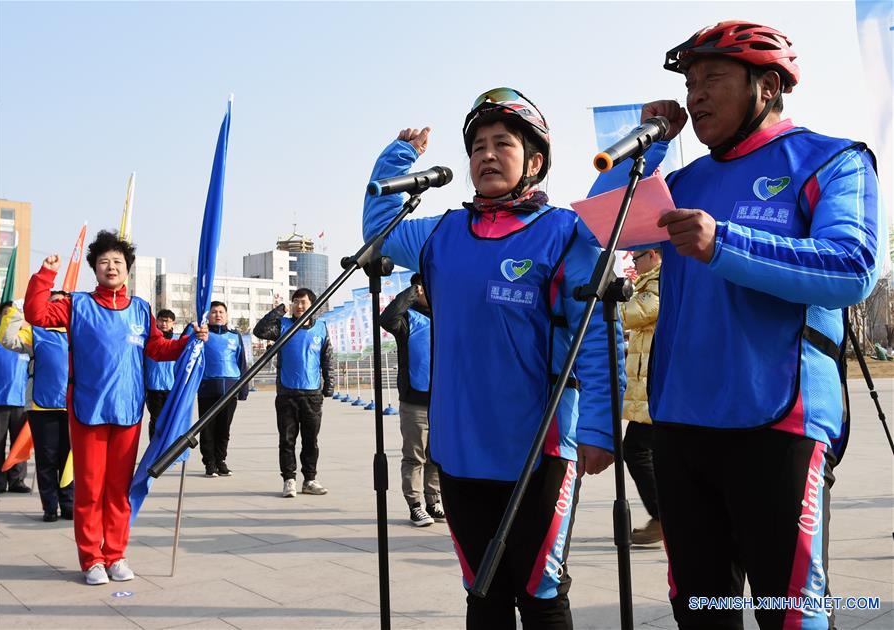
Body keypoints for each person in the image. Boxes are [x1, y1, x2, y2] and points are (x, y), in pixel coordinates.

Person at [620, 21, 882, 629]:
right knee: (702, 609)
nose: (695, 95)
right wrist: (650, 150)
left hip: (778, 423)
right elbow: (600, 234)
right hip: (682, 426)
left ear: (766, 86)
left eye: (712, 78)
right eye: (689, 82)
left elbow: (853, 267)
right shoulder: (679, 183)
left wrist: (725, 242)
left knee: (788, 612)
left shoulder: (832, 160)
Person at [363, 88, 621, 629]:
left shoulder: (566, 233)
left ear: (535, 160)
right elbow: (378, 235)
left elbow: (595, 334)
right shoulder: (441, 233)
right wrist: (396, 158)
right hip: (458, 452)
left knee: (541, 590)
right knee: (482, 593)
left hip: (540, 452)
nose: (485, 154)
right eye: (477, 144)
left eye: (502, 143)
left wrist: (601, 425)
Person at [23, 230, 207, 586]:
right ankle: (92, 559)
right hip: (88, 409)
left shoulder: (140, 309)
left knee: (119, 489)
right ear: (95, 267)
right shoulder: (77, 304)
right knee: (90, 489)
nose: (111, 267)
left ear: (128, 269)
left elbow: (157, 349)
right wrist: (45, 276)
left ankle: (116, 555)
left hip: (127, 412)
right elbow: (36, 313)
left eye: (118, 262)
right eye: (104, 261)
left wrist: (188, 342)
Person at [0, 294, 74, 521]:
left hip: (71, 407)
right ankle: (50, 507)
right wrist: (15, 312)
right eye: (52, 302)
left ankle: (69, 504)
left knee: (69, 458)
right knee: (46, 458)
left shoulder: (76, 333)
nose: (56, 306)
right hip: (42, 406)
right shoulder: (35, 331)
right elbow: (7, 340)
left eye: (61, 303)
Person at [254, 288, 335, 497]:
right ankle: (289, 479)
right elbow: (259, 331)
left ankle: (310, 479)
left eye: (304, 302)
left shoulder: (322, 329)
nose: (299, 306)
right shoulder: (283, 326)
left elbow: (327, 360)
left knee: (311, 440)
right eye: (296, 302)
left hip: (312, 394)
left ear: (313, 305)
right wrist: (279, 310)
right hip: (287, 393)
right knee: (287, 440)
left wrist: (329, 385)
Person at [379, 274, 444, 527]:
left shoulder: (445, 315)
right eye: (422, 288)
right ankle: (415, 505)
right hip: (415, 400)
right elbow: (387, 318)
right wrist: (410, 293)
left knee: (436, 455)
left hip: (442, 400)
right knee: (414, 455)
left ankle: (433, 500)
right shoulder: (407, 319)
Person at [619, 248, 662, 545]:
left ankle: (663, 517)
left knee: (635, 450)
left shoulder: (660, 284)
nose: (634, 262)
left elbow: (627, 315)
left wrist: (607, 300)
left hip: (656, 388)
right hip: (650, 389)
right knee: (655, 455)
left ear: (655, 254)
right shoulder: (648, 284)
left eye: (637, 257)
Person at [198, 301, 248, 478]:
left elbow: (241, 363)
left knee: (224, 428)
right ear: (208, 316)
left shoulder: (235, 336)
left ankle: (221, 460)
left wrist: (243, 389)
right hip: (207, 388)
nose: (217, 315)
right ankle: (209, 463)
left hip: (230, 388)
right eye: (214, 312)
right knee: (207, 428)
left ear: (226, 316)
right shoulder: (202, 336)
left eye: (221, 312)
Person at [0, 301, 31, 495]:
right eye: (5, 313)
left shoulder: (24, 342)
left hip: (21, 402)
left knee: (20, 444)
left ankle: (17, 480)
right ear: (0, 317)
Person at [144, 309, 177, 440]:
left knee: (170, 422)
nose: (164, 324)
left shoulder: (176, 341)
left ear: (173, 323)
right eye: (162, 320)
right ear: (156, 321)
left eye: (168, 321)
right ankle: (155, 454)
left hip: (171, 387)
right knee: (156, 421)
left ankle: (167, 452)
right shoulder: (149, 340)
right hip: (153, 388)